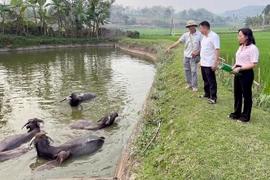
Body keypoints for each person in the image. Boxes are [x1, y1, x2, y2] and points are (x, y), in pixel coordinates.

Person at [229, 28, 259, 123]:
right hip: (238, 72)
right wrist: (233, 67)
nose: (238, 37)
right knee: (237, 94)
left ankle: (245, 116)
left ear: (246, 37)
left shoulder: (253, 48)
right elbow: (238, 60)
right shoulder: (241, 46)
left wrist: (240, 68)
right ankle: (236, 113)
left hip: (246, 73)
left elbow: (254, 64)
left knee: (246, 95)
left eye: (240, 35)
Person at [165, 20, 202, 92]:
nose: (190, 27)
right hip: (186, 56)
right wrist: (170, 47)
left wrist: (197, 52)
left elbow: (202, 45)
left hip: (194, 56)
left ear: (195, 26)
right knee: (187, 70)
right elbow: (178, 42)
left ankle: (195, 86)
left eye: (192, 26)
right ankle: (189, 84)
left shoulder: (199, 34)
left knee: (193, 71)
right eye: (189, 26)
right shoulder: (186, 35)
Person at [198, 21, 220, 104]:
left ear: (205, 28)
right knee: (205, 80)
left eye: (200, 28)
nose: (200, 30)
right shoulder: (204, 37)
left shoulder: (214, 36)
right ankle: (207, 94)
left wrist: (215, 63)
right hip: (203, 62)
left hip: (210, 63)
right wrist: (200, 61)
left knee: (212, 81)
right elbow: (203, 50)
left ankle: (213, 97)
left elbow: (217, 49)